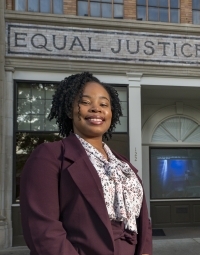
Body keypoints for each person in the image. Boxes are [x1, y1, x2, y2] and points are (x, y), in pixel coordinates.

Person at [20, 72, 152, 255]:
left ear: (111, 113)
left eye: (104, 104)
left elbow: (143, 222)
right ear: (69, 110)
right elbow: (43, 231)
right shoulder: (49, 156)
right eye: (85, 102)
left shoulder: (123, 164)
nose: (96, 109)